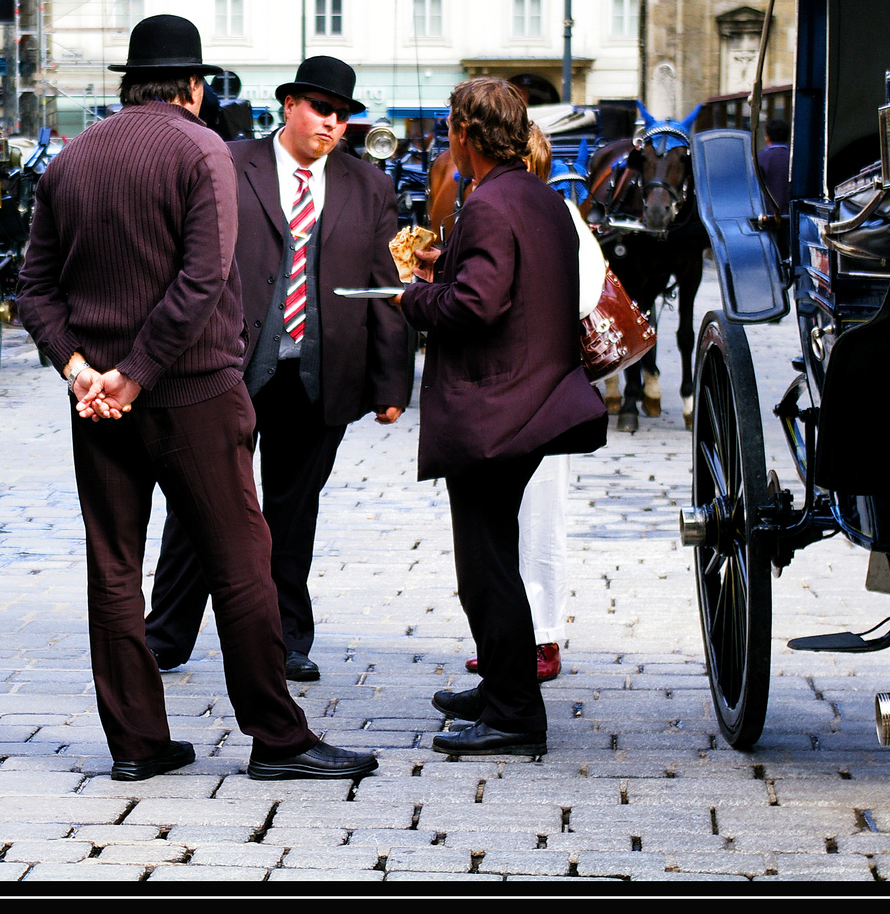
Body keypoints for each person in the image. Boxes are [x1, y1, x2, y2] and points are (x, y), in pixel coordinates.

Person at [18, 14, 377, 782]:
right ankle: (277, 738)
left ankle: (138, 745)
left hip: (99, 405)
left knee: (113, 568)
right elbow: (203, 278)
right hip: (191, 391)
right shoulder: (201, 150)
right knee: (241, 560)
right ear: (193, 86)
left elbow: (33, 289)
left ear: (126, 82)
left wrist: (83, 370)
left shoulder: (72, 158)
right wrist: (138, 371)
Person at [144, 56, 412, 681]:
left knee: (294, 510)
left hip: (320, 373)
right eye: (322, 108)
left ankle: (287, 639)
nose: (333, 123)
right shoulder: (230, 164)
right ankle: (166, 635)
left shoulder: (367, 185)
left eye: (343, 115)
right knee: (200, 503)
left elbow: (384, 286)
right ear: (290, 104)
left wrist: (390, 382)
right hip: (227, 366)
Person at [396, 78, 606, 756]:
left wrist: (411, 298)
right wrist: (444, 260)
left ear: (463, 133)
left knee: (484, 565)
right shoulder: (541, 199)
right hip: (531, 399)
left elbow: (476, 305)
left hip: (495, 407)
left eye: (449, 131)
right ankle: (501, 686)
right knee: (488, 560)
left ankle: (513, 713)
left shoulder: (486, 203)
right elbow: (507, 279)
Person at [462, 124, 606, 685]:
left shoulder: (558, 213)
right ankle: (505, 640)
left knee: (541, 517)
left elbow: (588, 291)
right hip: (502, 385)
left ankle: (542, 636)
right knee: (499, 528)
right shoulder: (492, 207)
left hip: (542, 383)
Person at [759, 117, 791, 218]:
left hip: (767, 215)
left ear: (767, 137)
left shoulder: (759, 158)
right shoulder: (796, 158)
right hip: (792, 214)